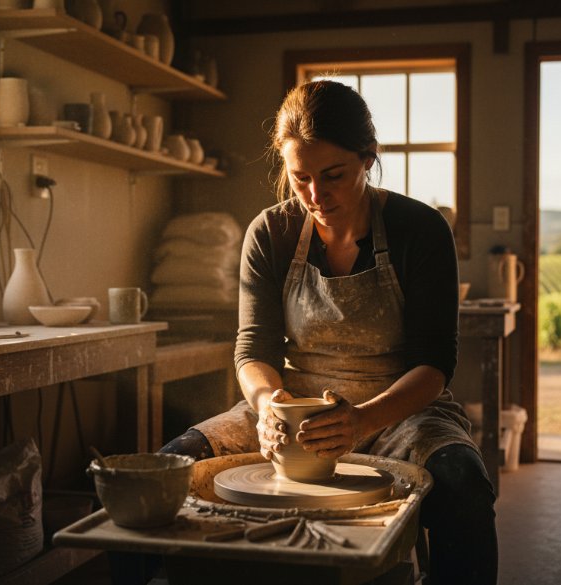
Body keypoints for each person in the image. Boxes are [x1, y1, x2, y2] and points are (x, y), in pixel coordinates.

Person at [157, 79, 497, 584]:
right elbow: (252, 349)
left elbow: (435, 365)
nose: (316, 194)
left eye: (333, 175)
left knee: (463, 484)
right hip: (291, 407)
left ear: (368, 157)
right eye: (301, 178)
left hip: (402, 411)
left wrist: (361, 421)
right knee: (170, 468)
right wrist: (269, 405)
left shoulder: (419, 228)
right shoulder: (270, 233)